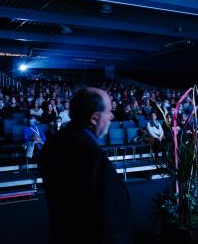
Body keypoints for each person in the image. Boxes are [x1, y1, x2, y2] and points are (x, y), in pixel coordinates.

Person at [38, 87, 133, 244]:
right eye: (108, 111)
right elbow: (108, 220)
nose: (112, 116)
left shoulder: (54, 143)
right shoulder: (92, 156)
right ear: (95, 118)